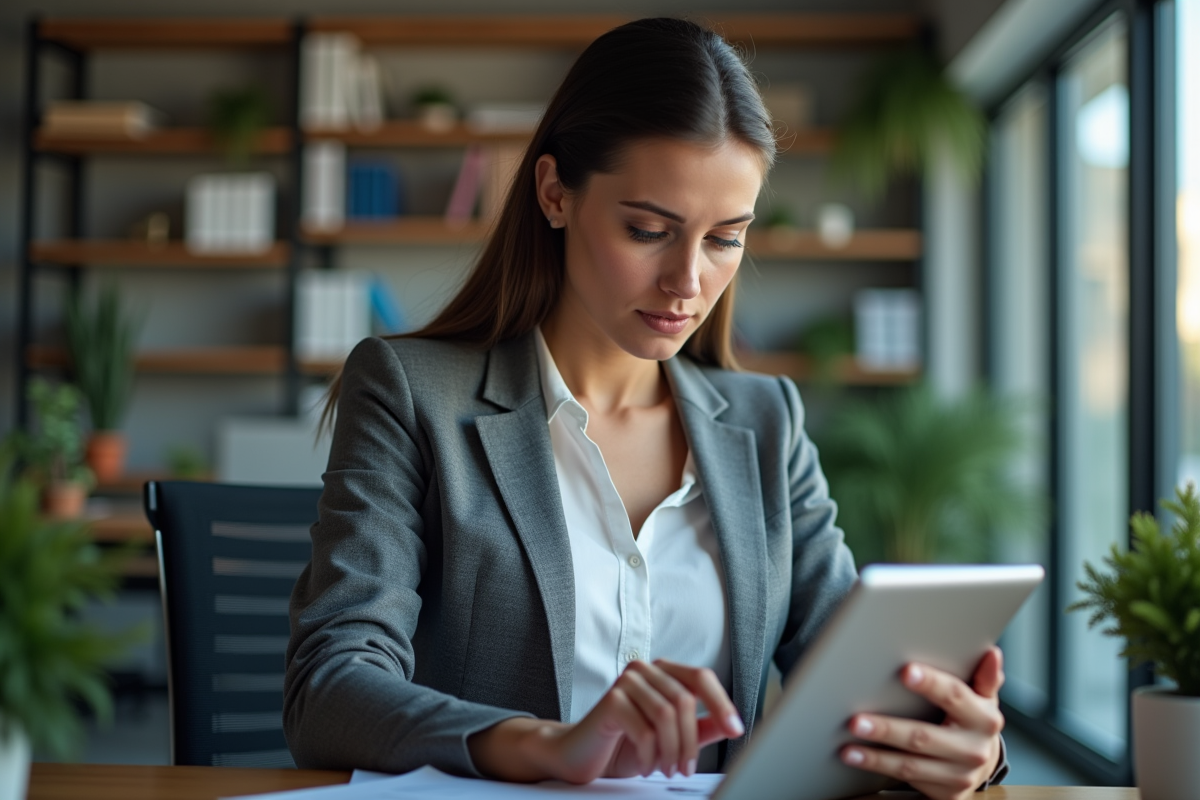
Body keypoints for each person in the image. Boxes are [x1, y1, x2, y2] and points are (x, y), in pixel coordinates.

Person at [284, 17, 1008, 800]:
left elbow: (858, 679)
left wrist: (955, 741)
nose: (687, 282)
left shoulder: (766, 423)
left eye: (725, 239)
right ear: (555, 194)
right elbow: (331, 687)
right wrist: (546, 745)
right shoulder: (411, 390)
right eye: (648, 230)